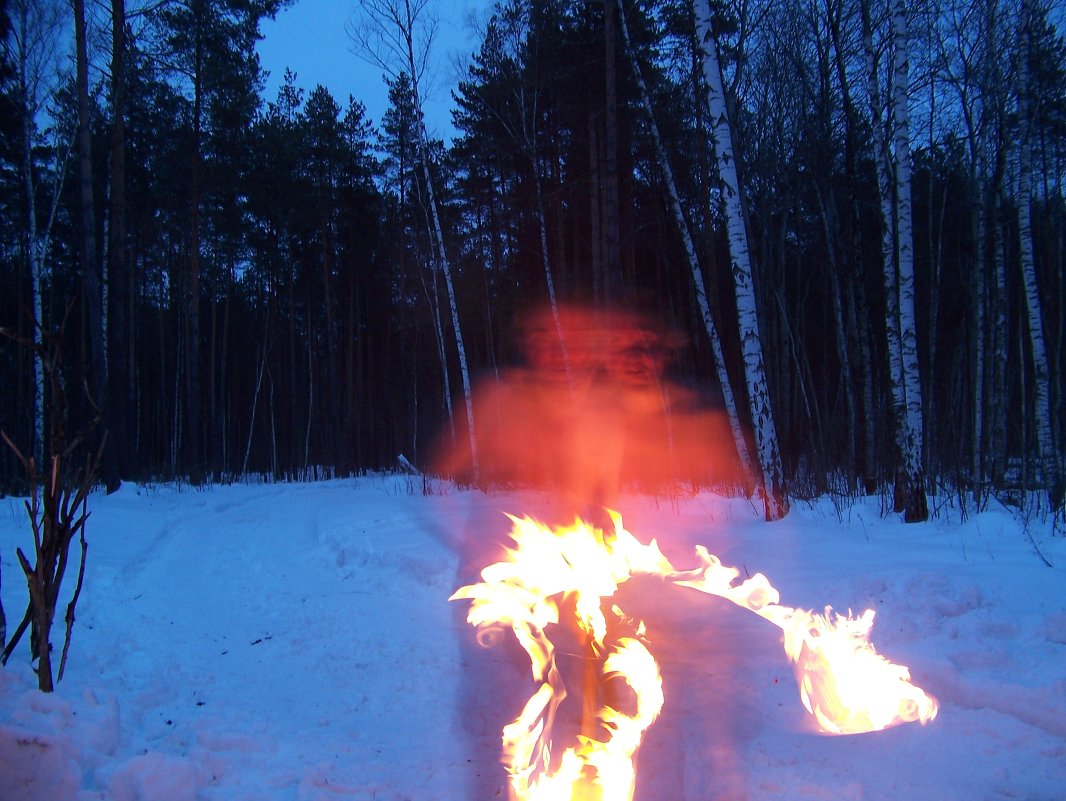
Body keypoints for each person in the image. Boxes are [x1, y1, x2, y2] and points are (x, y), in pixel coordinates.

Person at [432, 300, 744, 799]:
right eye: (545, 338)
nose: (558, 350)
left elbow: (617, 487)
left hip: (601, 582)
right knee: (538, 705)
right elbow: (445, 473)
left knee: (610, 702)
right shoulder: (508, 398)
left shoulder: (630, 407)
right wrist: (481, 553)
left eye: (647, 347)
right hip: (524, 589)